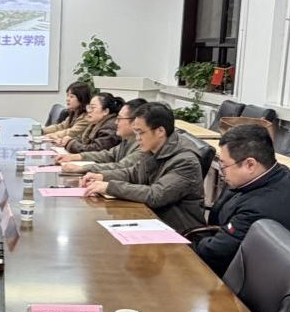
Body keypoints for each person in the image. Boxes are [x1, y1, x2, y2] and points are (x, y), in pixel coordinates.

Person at [195, 124, 290, 277]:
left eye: (224, 165)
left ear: (250, 165)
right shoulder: (281, 173)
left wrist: (195, 244)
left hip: (260, 277)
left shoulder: (259, 208)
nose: (222, 172)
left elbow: (216, 253)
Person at [83, 102, 205, 233]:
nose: (137, 138)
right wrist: (101, 176)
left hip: (178, 230)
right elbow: (133, 173)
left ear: (160, 131)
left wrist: (109, 187)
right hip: (152, 219)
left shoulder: (186, 161)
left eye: (140, 132)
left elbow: (155, 195)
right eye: (136, 132)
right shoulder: (152, 149)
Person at [61, 98, 147, 176]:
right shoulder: (127, 140)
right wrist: (77, 156)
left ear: (135, 122)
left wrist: (82, 168)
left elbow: (121, 167)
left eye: (119, 118)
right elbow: (108, 155)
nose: (116, 122)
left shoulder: (143, 145)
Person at [57, 93, 122, 154]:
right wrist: (68, 139)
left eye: (93, 108)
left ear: (105, 111)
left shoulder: (110, 127)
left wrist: (70, 143)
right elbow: (81, 139)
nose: (89, 111)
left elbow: (94, 150)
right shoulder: (95, 123)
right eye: (89, 107)